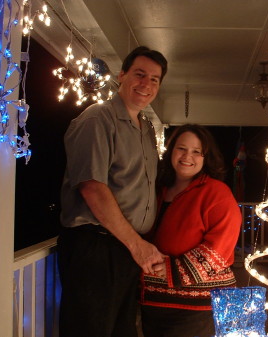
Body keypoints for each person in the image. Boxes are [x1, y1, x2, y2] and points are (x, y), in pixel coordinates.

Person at [57, 46, 168, 337]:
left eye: (155, 79)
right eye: (140, 74)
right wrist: (137, 245)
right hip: (96, 247)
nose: (146, 84)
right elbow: (92, 188)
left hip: (126, 250)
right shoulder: (98, 118)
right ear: (122, 75)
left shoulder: (146, 130)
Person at [140, 124, 242, 337]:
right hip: (155, 302)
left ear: (206, 157)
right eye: (181, 148)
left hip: (198, 307)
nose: (188, 156)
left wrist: (174, 271)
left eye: (197, 151)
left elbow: (220, 247)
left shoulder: (216, 192)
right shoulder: (158, 191)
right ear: (171, 152)